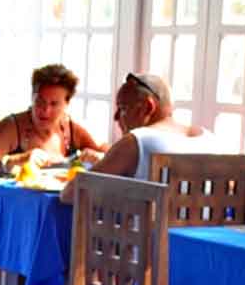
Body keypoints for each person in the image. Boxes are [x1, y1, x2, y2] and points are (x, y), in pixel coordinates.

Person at [66, 72, 213, 195]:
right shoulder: (210, 140)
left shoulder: (137, 140)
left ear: (148, 107)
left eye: (122, 108)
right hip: (211, 229)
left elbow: (71, 193)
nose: (116, 117)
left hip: (148, 230)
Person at [0, 63, 107, 175]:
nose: (45, 110)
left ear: (67, 104)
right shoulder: (11, 126)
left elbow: (107, 154)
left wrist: (100, 158)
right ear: (32, 97)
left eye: (54, 104)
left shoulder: (72, 128)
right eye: (40, 101)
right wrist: (15, 161)